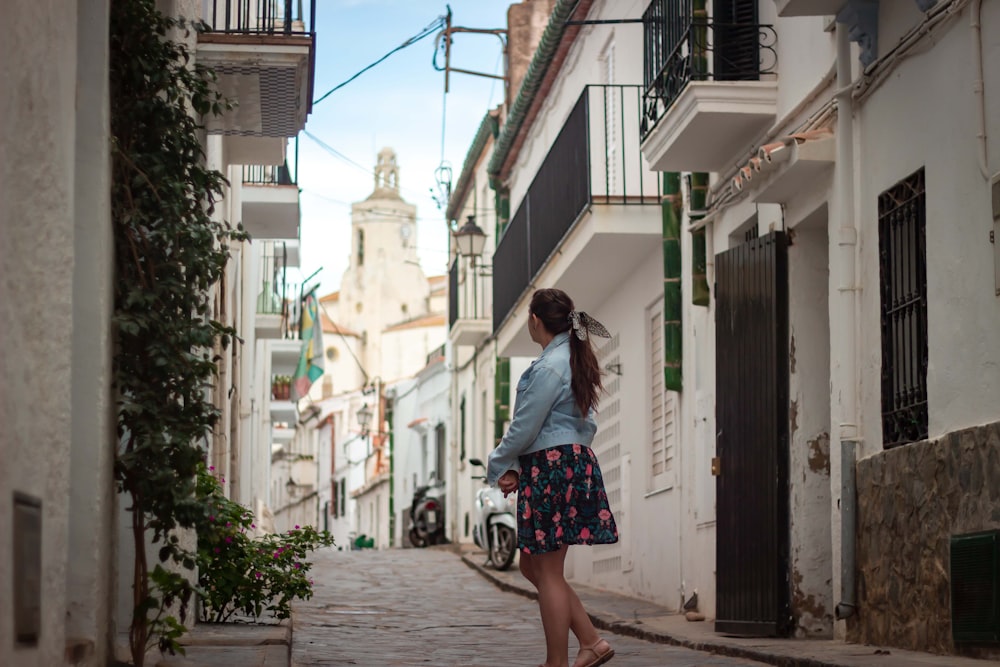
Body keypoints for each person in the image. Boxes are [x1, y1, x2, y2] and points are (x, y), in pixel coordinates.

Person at [487, 288, 619, 667]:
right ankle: (591, 641)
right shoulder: (572, 358)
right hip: (567, 462)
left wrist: (501, 463)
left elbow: (525, 426)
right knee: (533, 566)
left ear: (535, 320)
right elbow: (582, 424)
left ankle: (556, 662)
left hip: (553, 466)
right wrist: (519, 466)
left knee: (546, 571)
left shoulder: (549, 366)